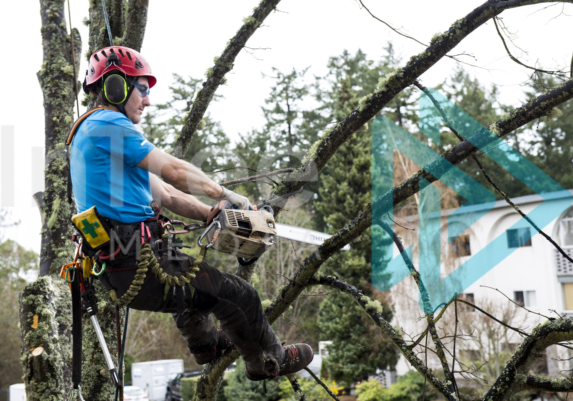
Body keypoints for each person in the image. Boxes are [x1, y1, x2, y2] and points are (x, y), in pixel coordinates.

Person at [69, 45, 313, 380]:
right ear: (115, 86)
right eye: (142, 89)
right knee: (241, 296)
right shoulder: (108, 125)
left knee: (197, 286)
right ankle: (269, 360)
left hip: (125, 266)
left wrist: (211, 213)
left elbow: (166, 193)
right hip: (140, 262)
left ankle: (207, 346)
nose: (148, 100)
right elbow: (172, 171)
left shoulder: (95, 135)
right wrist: (230, 196)